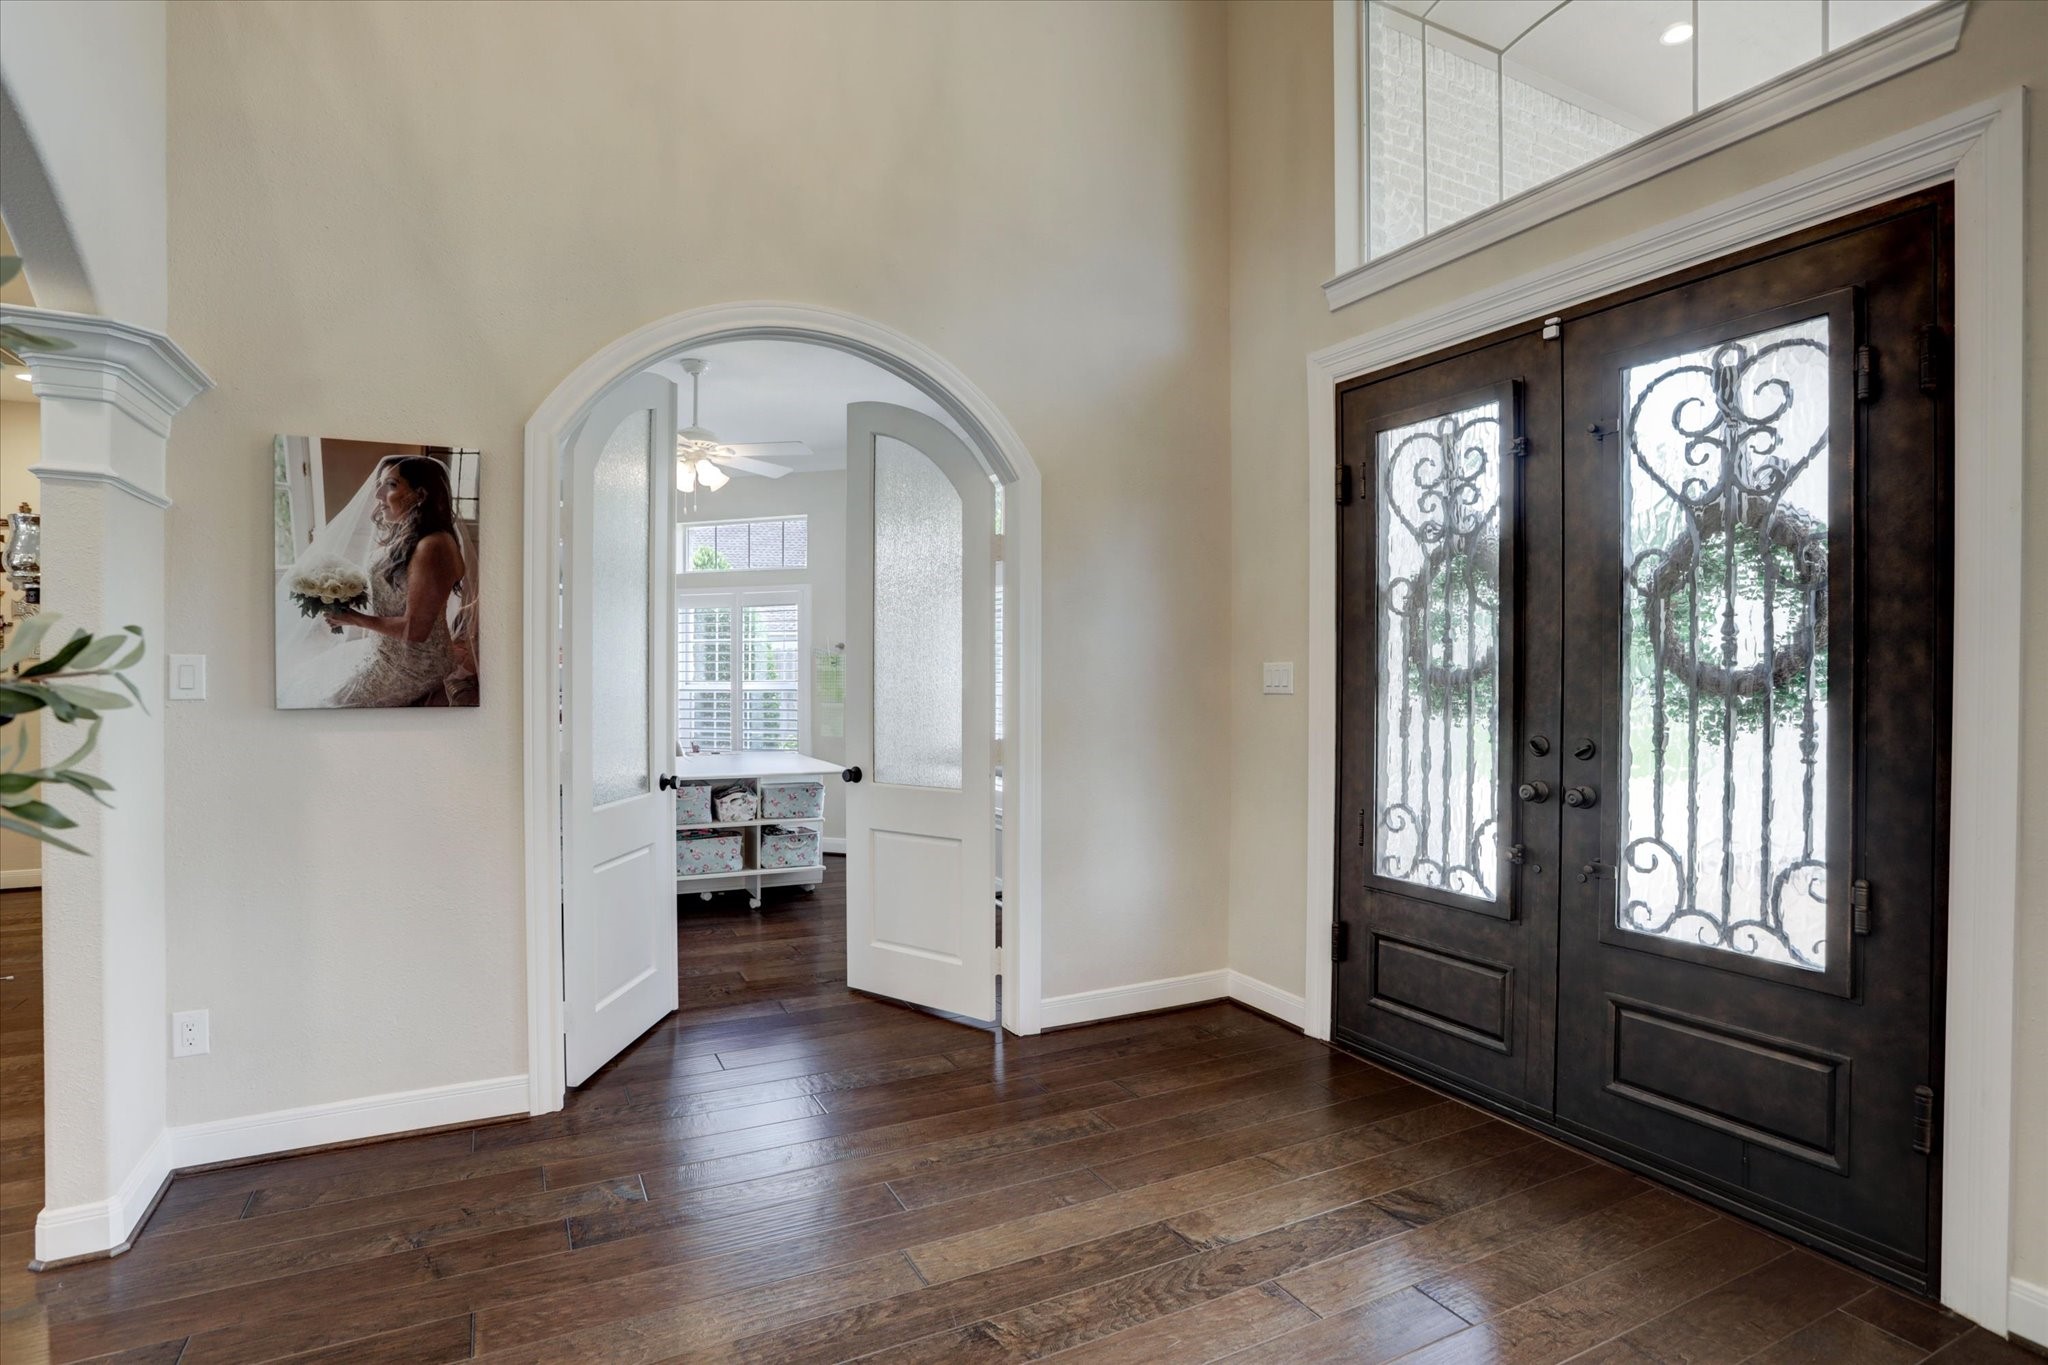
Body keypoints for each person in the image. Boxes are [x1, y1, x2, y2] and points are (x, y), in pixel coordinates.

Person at [321, 456, 467, 707]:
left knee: (335, 706)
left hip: (415, 665)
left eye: (390, 484)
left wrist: (353, 617)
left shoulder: (433, 546)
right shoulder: (409, 533)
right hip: (386, 651)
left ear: (420, 495)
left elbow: (417, 630)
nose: (378, 495)